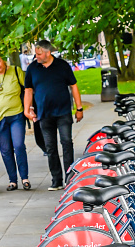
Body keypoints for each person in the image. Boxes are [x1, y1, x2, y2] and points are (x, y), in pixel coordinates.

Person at [24, 39, 83, 191]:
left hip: (63, 112)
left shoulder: (62, 66)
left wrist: (79, 108)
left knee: (66, 143)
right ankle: (56, 180)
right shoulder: (32, 69)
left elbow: (73, 86)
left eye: (38, 54)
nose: (36, 57)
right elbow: (28, 90)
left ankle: (70, 179)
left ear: (47, 52)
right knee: (50, 148)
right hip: (44, 114)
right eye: (35, 54)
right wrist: (27, 109)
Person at [0, 55, 30, 191]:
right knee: (6, 151)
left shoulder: (15, 71)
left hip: (16, 115)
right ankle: (12, 180)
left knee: (19, 146)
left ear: (4, 61)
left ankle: (25, 178)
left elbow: (28, 89)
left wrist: (28, 108)